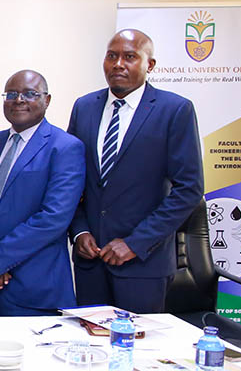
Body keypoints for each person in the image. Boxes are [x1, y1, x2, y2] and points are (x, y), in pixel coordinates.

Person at [68, 29, 203, 313]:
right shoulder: (84, 107)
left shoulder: (175, 110)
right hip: (90, 263)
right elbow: (71, 182)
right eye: (111, 56)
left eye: (129, 57)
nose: (118, 64)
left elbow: (189, 189)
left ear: (149, 65)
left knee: (138, 342)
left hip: (143, 265)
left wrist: (135, 243)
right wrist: (80, 232)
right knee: (88, 339)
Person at [0, 70, 85, 316]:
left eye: (30, 94)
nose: (19, 100)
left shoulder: (65, 148)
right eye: (11, 94)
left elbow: (53, 218)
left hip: (36, 291)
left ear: (47, 100)